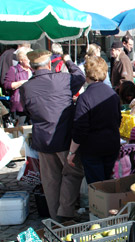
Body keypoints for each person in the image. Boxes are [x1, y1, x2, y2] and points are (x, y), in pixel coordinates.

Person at [19, 50, 85, 222]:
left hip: (43, 139)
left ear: (32, 68)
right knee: (72, 173)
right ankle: (65, 212)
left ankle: (56, 217)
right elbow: (80, 76)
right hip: (64, 138)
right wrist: (68, 60)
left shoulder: (26, 87)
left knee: (50, 181)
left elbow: (24, 109)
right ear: (49, 64)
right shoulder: (63, 79)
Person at [67, 56, 121, 185]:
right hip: (111, 144)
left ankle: (102, 205)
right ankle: (110, 204)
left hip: (93, 148)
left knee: (97, 187)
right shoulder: (113, 94)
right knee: (109, 183)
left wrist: (71, 152)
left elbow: (80, 128)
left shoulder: (85, 98)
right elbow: (118, 120)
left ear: (87, 75)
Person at [3, 47, 32, 125]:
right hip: (20, 106)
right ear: (21, 60)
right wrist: (21, 83)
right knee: (22, 131)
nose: (30, 61)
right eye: (28, 59)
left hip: (33, 105)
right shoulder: (13, 70)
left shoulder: (33, 70)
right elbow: (7, 85)